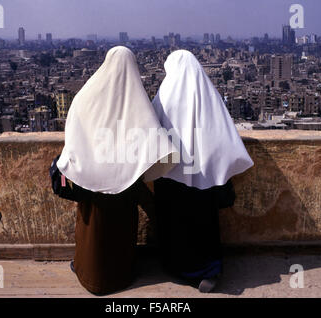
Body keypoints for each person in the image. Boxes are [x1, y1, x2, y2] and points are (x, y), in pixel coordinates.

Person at [54, 46, 178, 295]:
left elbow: (74, 138)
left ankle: (86, 271)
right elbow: (152, 139)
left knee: (91, 230)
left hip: (89, 183)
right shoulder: (138, 103)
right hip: (125, 188)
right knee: (119, 231)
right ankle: (118, 275)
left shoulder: (85, 97)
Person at [151, 50, 254, 293]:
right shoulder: (209, 96)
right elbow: (221, 133)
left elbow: (150, 130)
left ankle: (177, 266)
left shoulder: (164, 96)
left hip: (170, 176)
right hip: (203, 176)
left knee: (173, 223)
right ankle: (207, 270)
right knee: (202, 223)